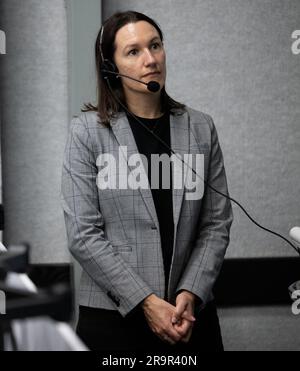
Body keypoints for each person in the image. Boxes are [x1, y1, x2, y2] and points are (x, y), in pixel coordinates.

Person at [61, 10, 233, 353]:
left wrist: (191, 291)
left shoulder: (200, 128)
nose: (150, 59)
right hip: (113, 321)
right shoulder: (86, 133)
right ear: (111, 67)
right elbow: (83, 234)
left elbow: (216, 222)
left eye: (155, 46)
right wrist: (146, 301)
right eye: (133, 51)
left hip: (190, 316)